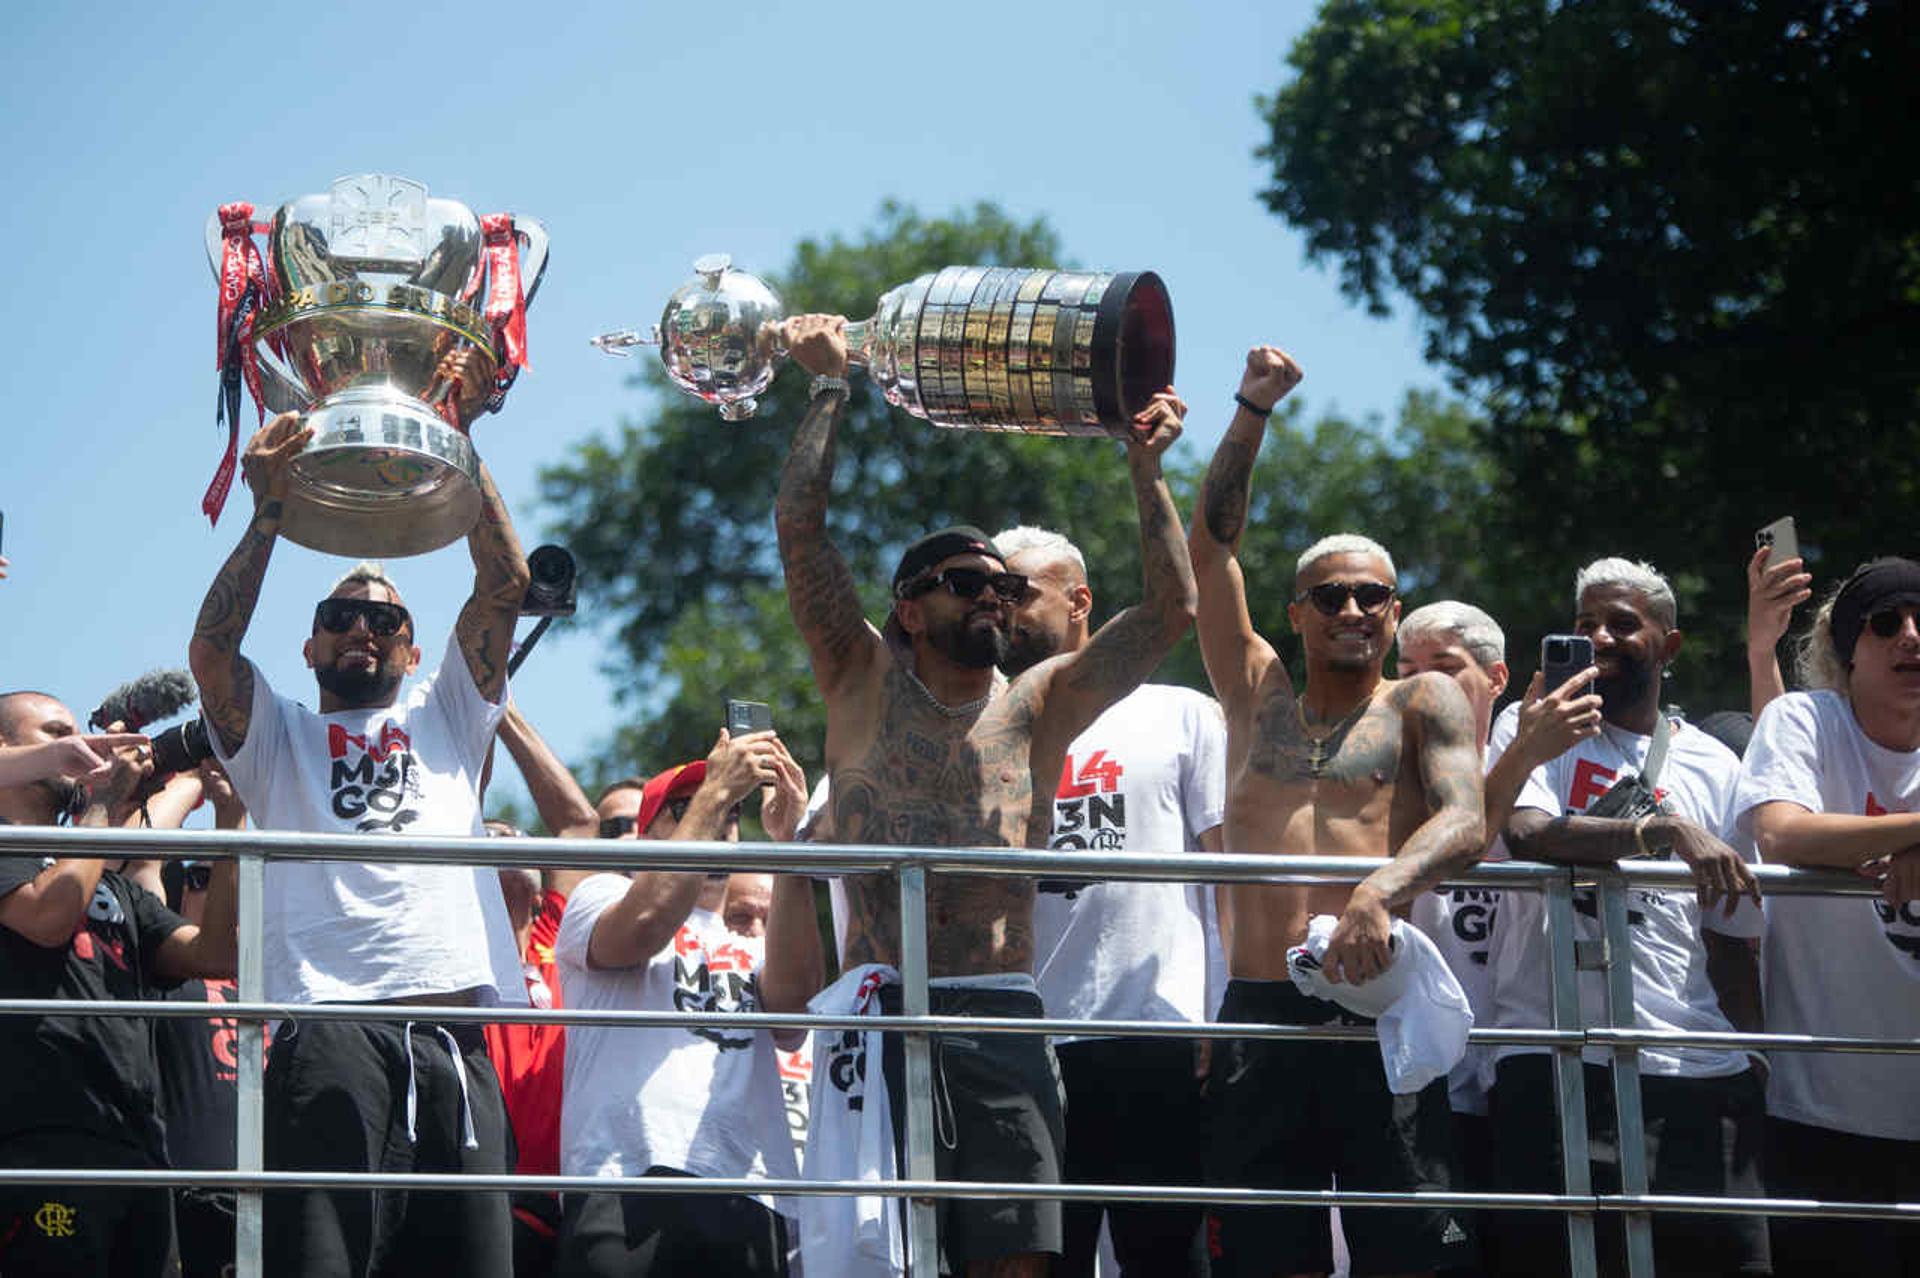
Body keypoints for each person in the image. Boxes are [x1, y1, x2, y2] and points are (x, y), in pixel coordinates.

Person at [773, 313, 1198, 1276]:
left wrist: (1146, 468)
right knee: (886, 1261)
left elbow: (1171, 612)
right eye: (969, 584)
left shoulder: (1038, 707)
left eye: (1004, 588)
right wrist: (829, 390)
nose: (994, 600)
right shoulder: (857, 678)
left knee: (1020, 1264)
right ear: (911, 606)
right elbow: (800, 529)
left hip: (1003, 1014)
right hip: (882, 1017)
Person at [186, 398, 532, 1278]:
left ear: (415, 653)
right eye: (340, 616)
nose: (362, 629)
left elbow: (503, 584)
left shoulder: (451, 714)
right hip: (328, 1034)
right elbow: (213, 652)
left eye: (386, 622)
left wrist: (459, 439)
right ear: (308, 647)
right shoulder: (278, 735)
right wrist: (269, 507)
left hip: (453, 1039)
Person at [1189, 344, 1487, 1278]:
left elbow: (1465, 821)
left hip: (1377, 1006)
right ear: (1297, 613)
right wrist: (1251, 411)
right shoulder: (1253, 690)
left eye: (1372, 596)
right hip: (1261, 1014)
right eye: (1330, 596)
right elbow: (1209, 548)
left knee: (1408, 1255)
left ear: (1395, 615)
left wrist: (1379, 890)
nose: (1351, 609)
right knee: (1261, 1260)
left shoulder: (1422, 702)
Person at [1488, 557, 1770, 1278]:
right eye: (1585, 625)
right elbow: (1527, 833)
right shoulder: (1529, 731)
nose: (1601, 637)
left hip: (1693, 1065)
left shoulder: (1714, 763)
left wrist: (1763, 1061)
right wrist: (1665, 833)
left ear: (1669, 646)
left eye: (1622, 624)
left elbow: (1733, 938)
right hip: (1554, 1058)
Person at [994, 521, 1226, 1278]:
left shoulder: (1179, 711)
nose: (1001, 607)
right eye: (991, 591)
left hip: (1153, 1029)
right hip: (1027, 1040)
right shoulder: (982, 724)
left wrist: (1221, 1018)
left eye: (1020, 590)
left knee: (1167, 1259)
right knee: (1038, 1261)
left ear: (1080, 599)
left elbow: (1227, 877)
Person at [554, 731, 815, 1277]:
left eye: (731, 809)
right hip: (623, 1176)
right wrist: (717, 788)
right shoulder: (598, 896)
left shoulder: (751, 941)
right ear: (647, 835)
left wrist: (793, 840)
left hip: (747, 1188)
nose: (720, 814)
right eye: (687, 807)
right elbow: (641, 928)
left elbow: (795, 1003)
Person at [0, 690, 237, 1277]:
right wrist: (104, 803)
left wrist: (233, 825)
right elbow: (48, 918)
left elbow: (215, 953)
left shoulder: (110, 881)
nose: (80, 747)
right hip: (40, 1149)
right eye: (57, 734)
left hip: (139, 1151)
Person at [1396, 601, 1602, 1276]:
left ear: (1497, 678)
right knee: (1444, 1255)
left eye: (1444, 668)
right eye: (1405, 670)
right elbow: (1458, 843)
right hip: (1428, 1081)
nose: (1420, 686)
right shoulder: (1389, 773)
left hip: (1523, 1068)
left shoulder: (1541, 765)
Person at [1735, 558, 1920, 1276]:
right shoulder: (1803, 717)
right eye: (1886, 624)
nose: (1911, 636)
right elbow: (1782, 833)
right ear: (1848, 652)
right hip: (1822, 1113)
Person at [484, 700, 604, 1278]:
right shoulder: (456, 945)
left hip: (571, 1203)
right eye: (486, 836)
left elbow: (578, 824)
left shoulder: (559, 932)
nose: (505, 835)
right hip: (484, 1200)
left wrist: (500, 709)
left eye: (514, 833)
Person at [150, 759, 258, 1278]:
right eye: (199, 877)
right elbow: (138, 860)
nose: (219, 887)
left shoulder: (281, 976)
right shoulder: (162, 968)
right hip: (188, 1201)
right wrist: (199, 778)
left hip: (279, 1194)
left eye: (229, 874)